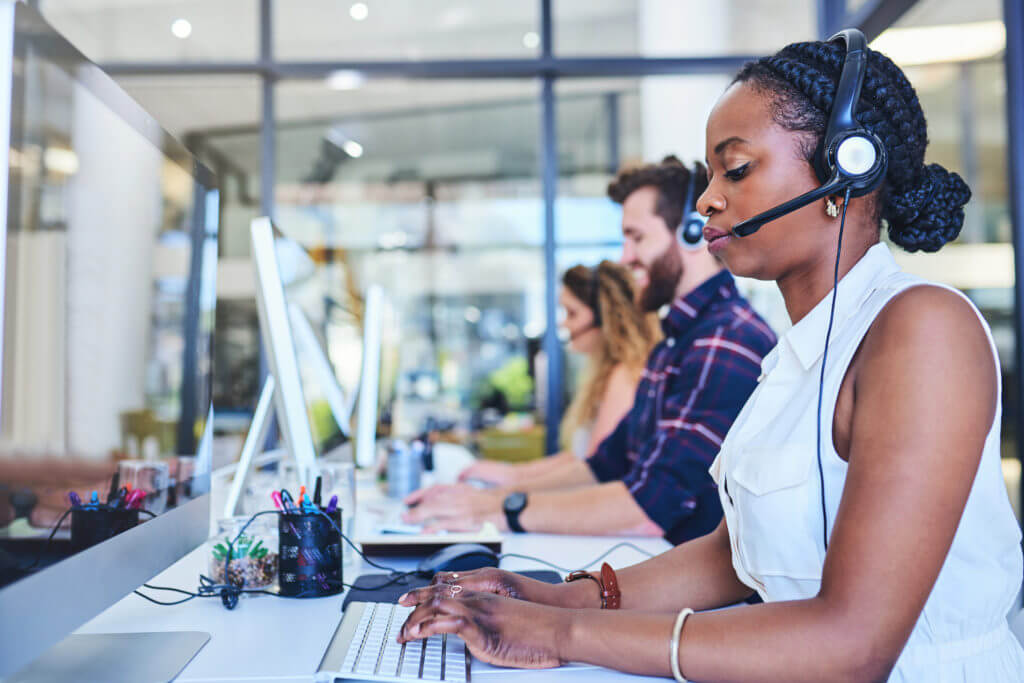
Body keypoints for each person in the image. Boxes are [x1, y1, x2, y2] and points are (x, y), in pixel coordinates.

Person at [394, 35, 1024, 681]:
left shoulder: (922, 327)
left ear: (846, 170)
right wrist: (557, 594)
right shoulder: (798, 353)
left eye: (737, 169)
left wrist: (563, 631)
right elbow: (734, 554)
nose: (706, 201)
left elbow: (853, 644)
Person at [403, 158, 776, 543]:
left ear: (693, 234)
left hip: (698, 595)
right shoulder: (679, 341)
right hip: (661, 567)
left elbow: (646, 510)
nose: (625, 257)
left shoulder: (723, 341)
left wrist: (501, 509)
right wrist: (493, 497)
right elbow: (602, 465)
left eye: (637, 237)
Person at [558, 261, 660, 459]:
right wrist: (513, 476)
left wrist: (514, 482)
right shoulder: (606, 373)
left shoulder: (625, 377)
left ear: (604, 318)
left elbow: (593, 471)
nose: (564, 323)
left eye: (572, 313)